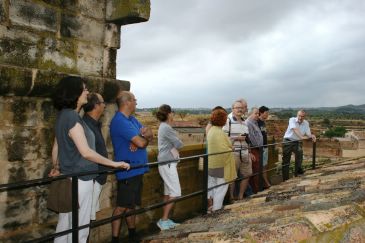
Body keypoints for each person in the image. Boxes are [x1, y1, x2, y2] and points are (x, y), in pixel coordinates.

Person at [49, 76, 130, 243]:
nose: (87, 92)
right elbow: (86, 152)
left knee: (65, 226)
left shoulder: (63, 115)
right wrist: (115, 163)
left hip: (69, 178)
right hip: (81, 180)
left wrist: (56, 166)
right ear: (75, 92)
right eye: (84, 88)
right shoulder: (72, 117)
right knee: (80, 227)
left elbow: (56, 146)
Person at [110, 91, 153, 243]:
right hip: (127, 170)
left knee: (130, 205)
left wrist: (142, 138)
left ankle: (132, 234)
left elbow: (150, 135)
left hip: (137, 169)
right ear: (127, 102)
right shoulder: (120, 121)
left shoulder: (132, 120)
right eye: (134, 100)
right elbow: (142, 143)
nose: (136, 103)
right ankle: (115, 239)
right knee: (122, 206)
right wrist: (141, 139)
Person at [155, 104, 184, 230]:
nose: (173, 114)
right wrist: (177, 138)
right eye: (172, 112)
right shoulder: (166, 128)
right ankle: (163, 220)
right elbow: (179, 144)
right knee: (176, 192)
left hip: (165, 163)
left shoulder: (163, 127)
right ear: (168, 114)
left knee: (168, 193)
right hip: (167, 164)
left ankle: (165, 219)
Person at [82, 93, 108, 221]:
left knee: (87, 219)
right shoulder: (86, 126)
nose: (105, 105)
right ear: (96, 106)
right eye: (103, 103)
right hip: (91, 179)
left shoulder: (92, 124)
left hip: (96, 178)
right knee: (85, 219)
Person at [207, 107, 237, 212]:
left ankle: (214, 208)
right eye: (225, 118)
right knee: (221, 188)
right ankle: (217, 209)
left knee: (215, 187)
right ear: (222, 119)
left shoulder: (212, 130)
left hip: (213, 163)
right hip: (221, 165)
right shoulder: (219, 132)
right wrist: (231, 148)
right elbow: (223, 150)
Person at [222, 100, 252, 201]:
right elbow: (224, 138)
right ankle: (231, 197)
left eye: (241, 108)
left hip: (244, 152)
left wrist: (249, 151)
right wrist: (236, 138)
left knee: (247, 174)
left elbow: (246, 138)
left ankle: (240, 196)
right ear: (232, 109)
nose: (239, 109)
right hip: (233, 152)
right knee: (232, 176)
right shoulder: (228, 120)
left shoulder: (244, 121)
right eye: (237, 108)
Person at [282, 110, 316, 181]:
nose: (300, 118)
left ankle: (297, 173)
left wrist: (312, 136)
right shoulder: (292, 120)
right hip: (288, 141)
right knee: (286, 160)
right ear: (297, 115)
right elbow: (295, 129)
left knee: (300, 154)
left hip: (297, 142)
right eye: (299, 116)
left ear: (304, 117)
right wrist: (302, 137)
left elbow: (308, 133)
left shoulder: (306, 123)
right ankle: (285, 179)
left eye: (302, 116)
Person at [245, 107, 263, 193]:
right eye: (255, 113)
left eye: (258, 113)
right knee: (254, 170)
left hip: (257, 149)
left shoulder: (254, 122)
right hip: (253, 149)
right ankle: (255, 191)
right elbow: (251, 138)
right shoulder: (248, 123)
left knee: (257, 170)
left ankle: (257, 189)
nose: (257, 115)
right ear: (250, 114)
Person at [258, 106, 271, 189]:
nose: (267, 115)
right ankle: (265, 183)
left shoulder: (263, 122)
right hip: (261, 147)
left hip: (265, 146)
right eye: (266, 113)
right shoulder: (257, 122)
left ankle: (265, 183)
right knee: (262, 166)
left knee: (265, 165)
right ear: (261, 113)